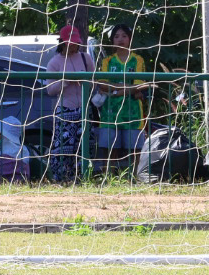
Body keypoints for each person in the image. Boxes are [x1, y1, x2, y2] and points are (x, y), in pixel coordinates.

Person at [40, 24, 95, 183]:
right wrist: (66, 80)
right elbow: (50, 89)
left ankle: (83, 178)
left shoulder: (86, 58)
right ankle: (61, 179)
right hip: (65, 110)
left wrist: (85, 81)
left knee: (85, 145)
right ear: (63, 42)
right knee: (63, 148)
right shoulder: (54, 62)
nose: (74, 46)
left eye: (76, 43)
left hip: (84, 108)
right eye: (71, 43)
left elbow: (94, 81)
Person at [93, 23, 149, 163]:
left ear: (130, 39)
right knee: (109, 151)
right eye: (117, 36)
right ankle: (109, 175)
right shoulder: (107, 61)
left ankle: (135, 176)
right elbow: (103, 84)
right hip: (110, 113)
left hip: (133, 112)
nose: (120, 39)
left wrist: (116, 90)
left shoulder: (138, 60)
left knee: (135, 152)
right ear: (112, 40)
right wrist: (126, 88)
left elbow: (139, 85)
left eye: (124, 36)